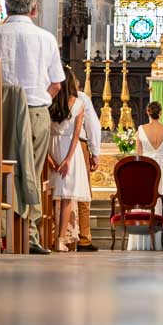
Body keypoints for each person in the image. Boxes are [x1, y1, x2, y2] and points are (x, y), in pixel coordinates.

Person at [0, 0, 65, 255]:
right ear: (34, 9)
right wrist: (43, 100)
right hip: (35, 112)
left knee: (0, 170)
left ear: (5, 7)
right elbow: (57, 84)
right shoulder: (46, 38)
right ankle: (29, 235)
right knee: (31, 173)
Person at [47, 69, 91, 252]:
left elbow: (42, 130)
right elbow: (76, 136)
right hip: (69, 151)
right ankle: (59, 239)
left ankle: (46, 237)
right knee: (66, 197)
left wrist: (48, 158)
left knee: (48, 195)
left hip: (50, 146)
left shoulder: (48, 102)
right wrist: (68, 159)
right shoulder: (78, 103)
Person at [127, 102, 163, 251]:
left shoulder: (141, 129)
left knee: (146, 200)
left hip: (146, 168)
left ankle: (143, 242)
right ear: (160, 113)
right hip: (162, 168)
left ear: (148, 113)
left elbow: (138, 155)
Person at [75, 78, 101, 252]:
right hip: (79, 145)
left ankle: (55, 235)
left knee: (56, 192)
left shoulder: (53, 95)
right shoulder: (81, 98)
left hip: (53, 145)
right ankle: (84, 239)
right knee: (83, 192)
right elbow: (92, 125)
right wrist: (95, 153)